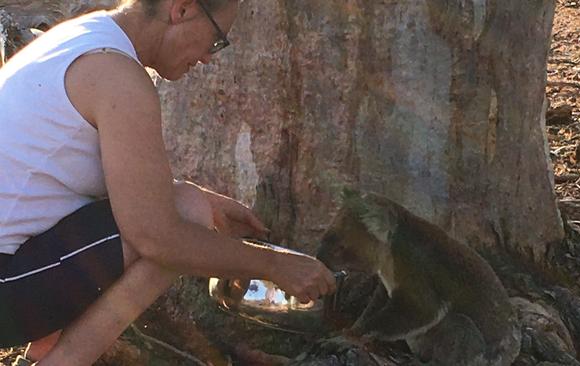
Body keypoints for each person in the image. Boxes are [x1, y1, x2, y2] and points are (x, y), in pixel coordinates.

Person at [0, 0, 337, 365]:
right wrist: (275, 266)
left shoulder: (84, 37)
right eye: (216, 40)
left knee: (187, 204)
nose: (209, 58)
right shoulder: (117, 75)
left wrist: (207, 201)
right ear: (182, 10)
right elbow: (156, 236)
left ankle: (45, 349)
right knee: (183, 217)